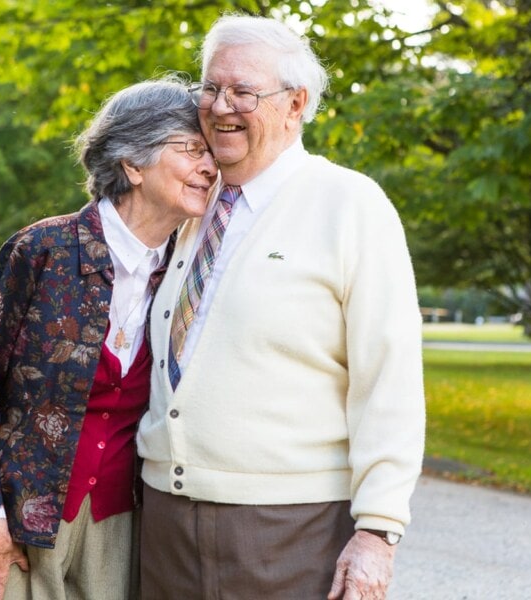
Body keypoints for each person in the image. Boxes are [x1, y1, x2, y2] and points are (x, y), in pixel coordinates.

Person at [136, 15, 425, 600]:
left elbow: (388, 377)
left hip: (290, 527)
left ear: (296, 104)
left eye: (244, 91)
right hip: (164, 521)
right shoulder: (190, 201)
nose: (221, 107)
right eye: (211, 88)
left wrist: (378, 531)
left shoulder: (350, 204)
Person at [0, 77, 217, 600]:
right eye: (191, 149)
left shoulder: (186, 270)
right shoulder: (42, 250)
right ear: (133, 164)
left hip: (118, 520)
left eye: (210, 152)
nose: (209, 166)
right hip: (14, 516)